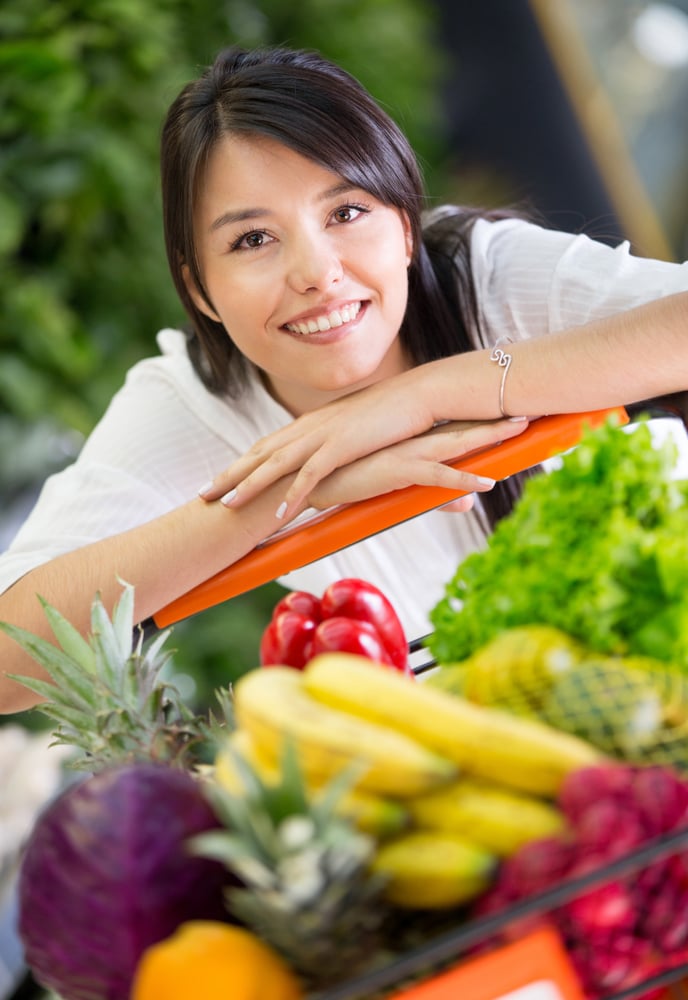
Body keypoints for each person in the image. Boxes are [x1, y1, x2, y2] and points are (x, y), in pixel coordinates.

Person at [0, 45, 686, 714]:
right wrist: (290, 490)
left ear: (408, 226)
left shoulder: (487, 278)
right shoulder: (196, 401)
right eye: (252, 240)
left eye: (346, 213)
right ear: (199, 288)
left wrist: (427, 395)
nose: (316, 273)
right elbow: (9, 667)